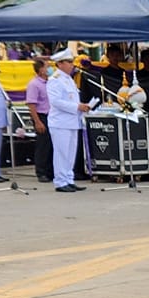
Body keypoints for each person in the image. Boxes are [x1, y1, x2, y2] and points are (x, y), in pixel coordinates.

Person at [46, 48, 85, 193]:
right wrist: (77, 107)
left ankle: (69, 179)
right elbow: (56, 102)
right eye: (69, 62)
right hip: (60, 122)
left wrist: (81, 108)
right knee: (61, 153)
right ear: (60, 64)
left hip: (72, 121)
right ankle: (60, 181)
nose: (72, 64)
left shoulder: (69, 79)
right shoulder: (55, 80)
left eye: (72, 61)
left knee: (70, 153)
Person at [23, 54, 53, 181]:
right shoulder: (34, 84)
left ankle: (50, 171)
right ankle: (41, 172)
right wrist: (37, 121)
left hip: (51, 116)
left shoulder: (50, 82)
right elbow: (31, 104)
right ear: (41, 70)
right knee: (43, 146)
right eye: (47, 67)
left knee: (51, 145)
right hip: (41, 116)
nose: (50, 69)